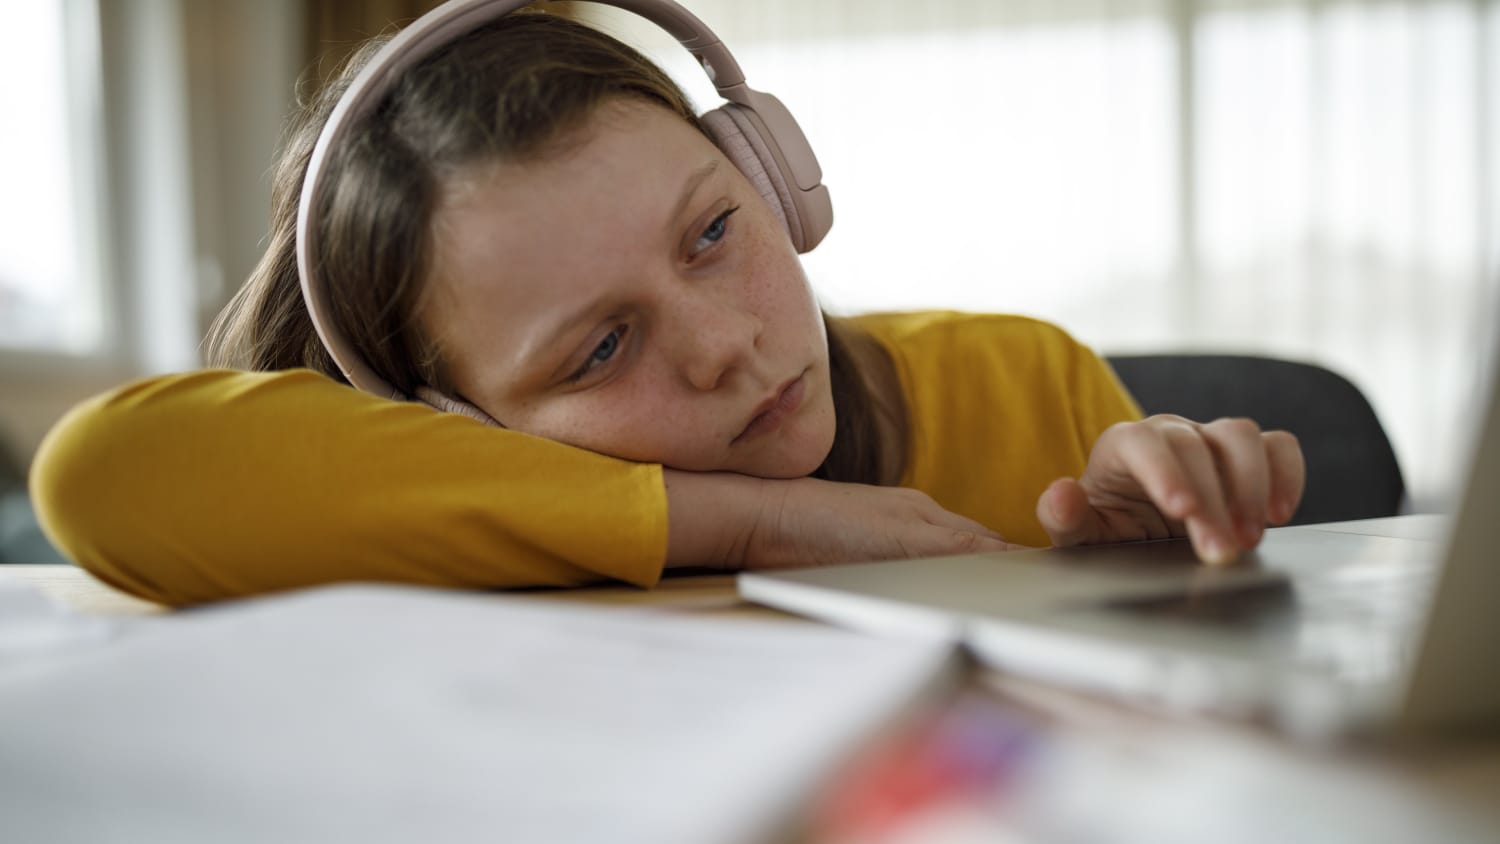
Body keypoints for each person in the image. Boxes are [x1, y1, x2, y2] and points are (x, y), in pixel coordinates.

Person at [30, 10, 1304, 607]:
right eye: (600, 346)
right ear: (449, 417)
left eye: (711, 232)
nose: (725, 346)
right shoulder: (455, 518)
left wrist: (1168, 584)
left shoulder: (1023, 381)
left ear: (773, 180)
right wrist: (758, 521)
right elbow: (101, 473)